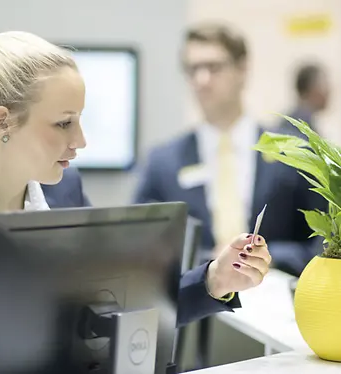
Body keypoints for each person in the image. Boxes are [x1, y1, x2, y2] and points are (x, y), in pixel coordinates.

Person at [0, 22, 270, 330]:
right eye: (63, 123)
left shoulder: (65, 191)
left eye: (79, 120)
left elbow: (118, 301)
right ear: (2, 122)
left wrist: (213, 279)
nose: (80, 140)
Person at [133, 22, 327, 277]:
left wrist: (266, 257)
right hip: (196, 305)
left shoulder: (292, 152)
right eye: (192, 69)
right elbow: (141, 245)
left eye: (213, 67)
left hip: (277, 302)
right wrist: (211, 263)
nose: (201, 80)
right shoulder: (163, 162)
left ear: (242, 69)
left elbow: (326, 242)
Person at [278, 63, 330, 137]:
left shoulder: (309, 123)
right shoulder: (296, 126)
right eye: (324, 85)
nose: (328, 91)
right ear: (310, 88)